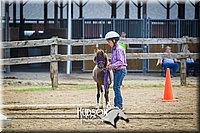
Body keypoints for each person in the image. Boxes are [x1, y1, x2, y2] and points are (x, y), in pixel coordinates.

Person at [105, 31, 127, 110]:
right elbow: (115, 60)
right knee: (115, 87)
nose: (108, 43)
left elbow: (121, 61)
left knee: (116, 87)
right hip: (117, 70)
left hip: (120, 70)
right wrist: (110, 64)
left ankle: (119, 105)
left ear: (114, 41)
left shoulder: (118, 49)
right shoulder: (114, 49)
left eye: (109, 42)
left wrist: (112, 66)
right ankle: (116, 104)